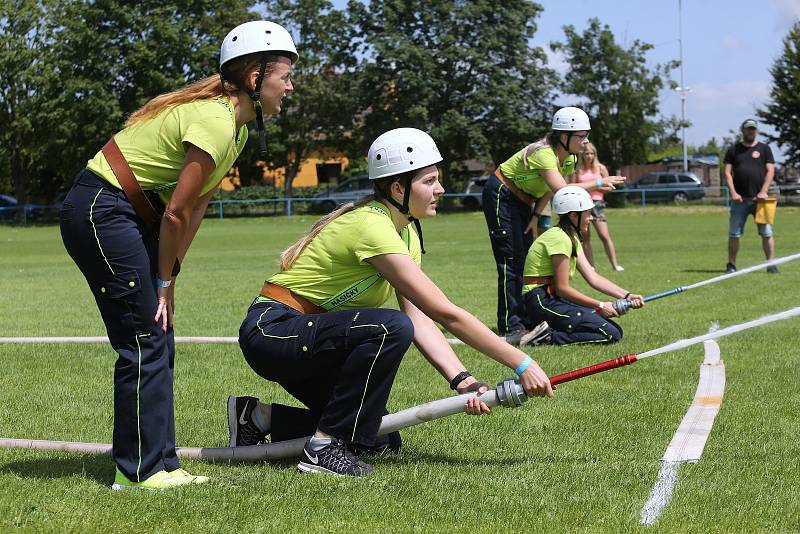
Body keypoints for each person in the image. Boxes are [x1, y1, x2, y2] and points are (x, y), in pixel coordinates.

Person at [228, 128, 553, 477]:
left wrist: (463, 380)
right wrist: (521, 363)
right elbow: (445, 314)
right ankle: (322, 449)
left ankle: (257, 417)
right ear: (398, 188)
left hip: (309, 338)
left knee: (378, 437)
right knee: (389, 327)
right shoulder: (372, 226)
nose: (440, 189)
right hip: (272, 331)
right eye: (429, 181)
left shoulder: (407, 232)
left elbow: (421, 319)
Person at [59, 20, 298, 490]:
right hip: (101, 208)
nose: (291, 86)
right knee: (145, 336)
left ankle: (163, 464)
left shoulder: (237, 133)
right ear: (254, 74)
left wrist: (172, 275)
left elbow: (193, 212)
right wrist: (161, 281)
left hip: (128, 215)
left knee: (158, 334)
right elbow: (174, 213)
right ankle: (140, 473)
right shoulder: (214, 120)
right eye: (285, 75)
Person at [482, 107, 625, 344]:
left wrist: (536, 215)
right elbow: (563, 191)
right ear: (563, 136)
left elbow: (551, 191)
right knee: (510, 260)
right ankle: (511, 325)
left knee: (524, 258)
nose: (585, 141)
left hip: (524, 202)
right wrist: (600, 182)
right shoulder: (544, 153)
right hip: (502, 195)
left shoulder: (569, 158)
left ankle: (527, 320)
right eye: (581, 136)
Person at [519, 186, 644, 346]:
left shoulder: (571, 238)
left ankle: (544, 330)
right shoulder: (560, 238)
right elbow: (562, 288)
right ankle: (547, 338)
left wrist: (627, 295)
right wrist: (599, 305)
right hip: (541, 301)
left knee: (614, 330)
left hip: (551, 299)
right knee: (610, 334)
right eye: (587, 213)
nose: (590, 217)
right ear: (573, 215)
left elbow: (594, 278)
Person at [724, 119, 777, 274]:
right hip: (739, 201)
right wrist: (733, 193)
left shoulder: (764, 149)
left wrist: (763, 191)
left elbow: (771, 170)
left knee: (767, 233)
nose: (751, 131)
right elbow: (727, 172)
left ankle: (771, 264)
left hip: (760, 202)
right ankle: (731, 265)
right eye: (748, 129)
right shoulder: (734, 150)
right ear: (743, 131)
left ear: (756, 131)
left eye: (753, 129)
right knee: (734, 233)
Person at [571, 142, 624, 272]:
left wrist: (596, 186)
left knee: (604, 235)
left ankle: (615, 264)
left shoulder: (600, 168)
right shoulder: (577, 170)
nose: (589, 156)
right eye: (587, 153)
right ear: (582, 155)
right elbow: (571, 187)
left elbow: (610, 187)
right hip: (582, 204)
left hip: (597, 204)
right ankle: (591, 266)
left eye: (592, 153)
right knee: (585, 237)